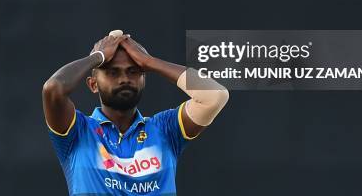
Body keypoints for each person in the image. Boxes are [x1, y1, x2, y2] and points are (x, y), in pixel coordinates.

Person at [42, 32, 229, 195]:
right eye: (113, 72)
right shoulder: (78, 132)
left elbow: (215, 96)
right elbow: (53, 88)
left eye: (134, 71)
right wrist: (98, 56)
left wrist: (150, 62)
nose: (125, 79)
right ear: (93, 84)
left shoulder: (164, 129)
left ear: (144, 79)